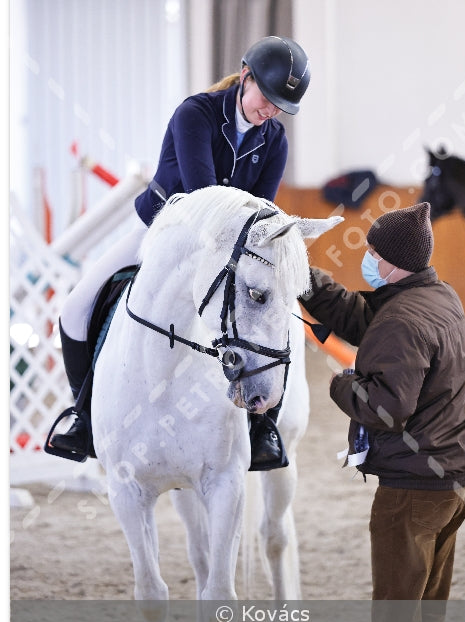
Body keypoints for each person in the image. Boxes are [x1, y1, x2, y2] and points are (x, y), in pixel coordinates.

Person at [51, 35, 311, 471]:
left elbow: (261, 211)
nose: (270, 110)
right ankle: (84, 418)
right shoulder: (196, 114)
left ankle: (261, 425)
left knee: (266, 318)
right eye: (266, 98)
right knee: (75, 308)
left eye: (280, 106)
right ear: (245, 77)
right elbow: (198, 198)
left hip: (228, 248)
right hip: (161, 229)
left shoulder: (275, 140)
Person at [299, 202, 465, 622]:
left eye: (373, 251)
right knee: (424, 616)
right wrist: (304, 275)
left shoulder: (403, 320)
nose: (368, 257)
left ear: (392, 263)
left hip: (413, 490)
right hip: (455, 477)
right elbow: (365, 318)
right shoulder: (438, 297)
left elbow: (386, 408)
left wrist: (343, 384)